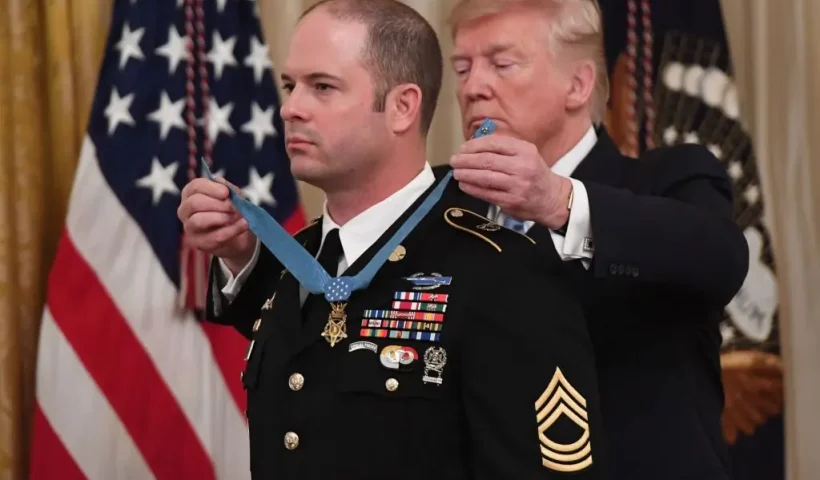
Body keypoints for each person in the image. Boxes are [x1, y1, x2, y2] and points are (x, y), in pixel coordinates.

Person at [177, 0, 606, 478]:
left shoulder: (502, 273)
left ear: (403, 107)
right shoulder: (295, 263)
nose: (291, 109)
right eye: (290, 86)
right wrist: (239, 251)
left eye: (322, 87)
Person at [441, 1, 750, 479]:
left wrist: (560, 204)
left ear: (578, 84)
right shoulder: (439, 205)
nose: (473, 87)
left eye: (501, 64)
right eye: (462, 68)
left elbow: (721, 257)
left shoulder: (668, 178)